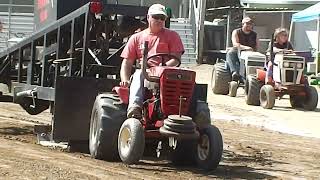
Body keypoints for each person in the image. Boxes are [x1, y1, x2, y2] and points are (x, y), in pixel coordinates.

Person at [120, 4, 184, 118]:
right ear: (148, 17)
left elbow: (176, 58)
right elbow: (127, 63)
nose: (159, 20)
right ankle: (135, 107)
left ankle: (191, 110)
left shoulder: (173, 36)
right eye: (156, 17)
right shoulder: (136, 38)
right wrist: (125, 80)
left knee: (186, 76)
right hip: (146, 71)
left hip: (166, 71)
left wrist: (162, 67)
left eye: (162, 18)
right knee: (139, 73)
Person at [226, 17, 258, 81]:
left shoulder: (254, 34)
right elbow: (235, 44)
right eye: (247, 23)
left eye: (251, 23)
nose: (249, 25)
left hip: (250, 53)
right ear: (243, 24)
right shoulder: (236, 32)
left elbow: (256, 46)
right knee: (231, 52)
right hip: (238, 51)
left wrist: (253, 51)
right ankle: (235, 72)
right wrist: (246, 48)